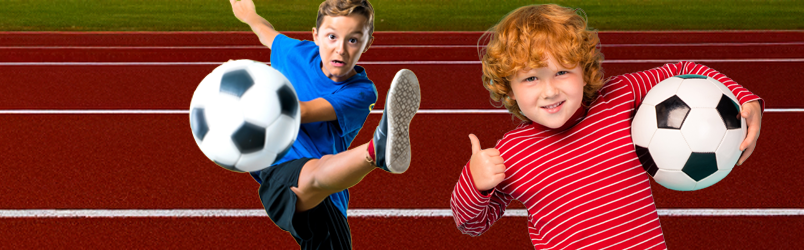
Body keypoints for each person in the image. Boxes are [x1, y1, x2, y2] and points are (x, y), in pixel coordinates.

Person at [450, 4, 765, 249]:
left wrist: (744, 99)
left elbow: (684, 71)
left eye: (562, 72)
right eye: (531, 78)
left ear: (584, 71)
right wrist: (474, 183)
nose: (549, 91)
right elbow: (471, 224)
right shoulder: (511, 153)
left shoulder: (620, 97)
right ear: (509, 87)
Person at [228, 0, 421, 248]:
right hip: (281, 175)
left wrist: (244, 91)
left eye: (353, 40)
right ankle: (376, 151)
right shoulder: (296, 53)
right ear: (315, 36)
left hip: (329, 200)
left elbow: (301, 111)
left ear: (368, 43)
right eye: (332, 37)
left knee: (320, 171)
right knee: (314, 173)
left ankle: (378, 148)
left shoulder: (361, 92)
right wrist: (250, 15)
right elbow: (268, 34)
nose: (340, 49)